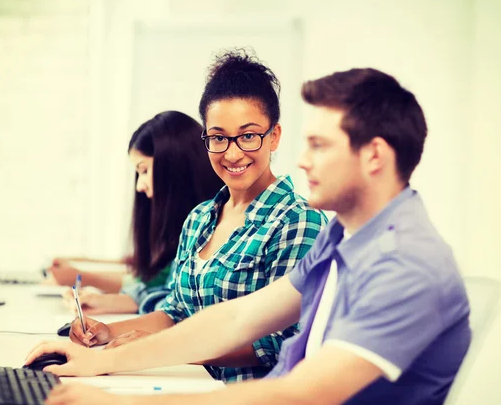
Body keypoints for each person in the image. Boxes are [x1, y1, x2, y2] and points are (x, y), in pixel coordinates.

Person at [26, 67, 472, 405]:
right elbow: (236, 320)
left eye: (319, 145)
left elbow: (302, 394)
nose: (302, 160)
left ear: (374, 155)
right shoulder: (345, 235)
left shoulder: (405, 264)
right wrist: (99, 361)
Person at [48, 49, 326, 383]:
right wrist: (108, 331)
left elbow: (282, 343)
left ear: (274, 136)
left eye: (249, 136)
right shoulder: (198, 220)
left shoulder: (297, 222)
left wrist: (158, 349)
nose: (233, 152)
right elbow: (176, 313)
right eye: (219, 137)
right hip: (183, 380)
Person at [57, 110, 224, 314]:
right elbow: (161, 290)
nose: (140, 186)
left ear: (174, 168)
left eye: (144, 171)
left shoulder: (214, 223)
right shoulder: (186, 225)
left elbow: (176, 304)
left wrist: (85, 279)